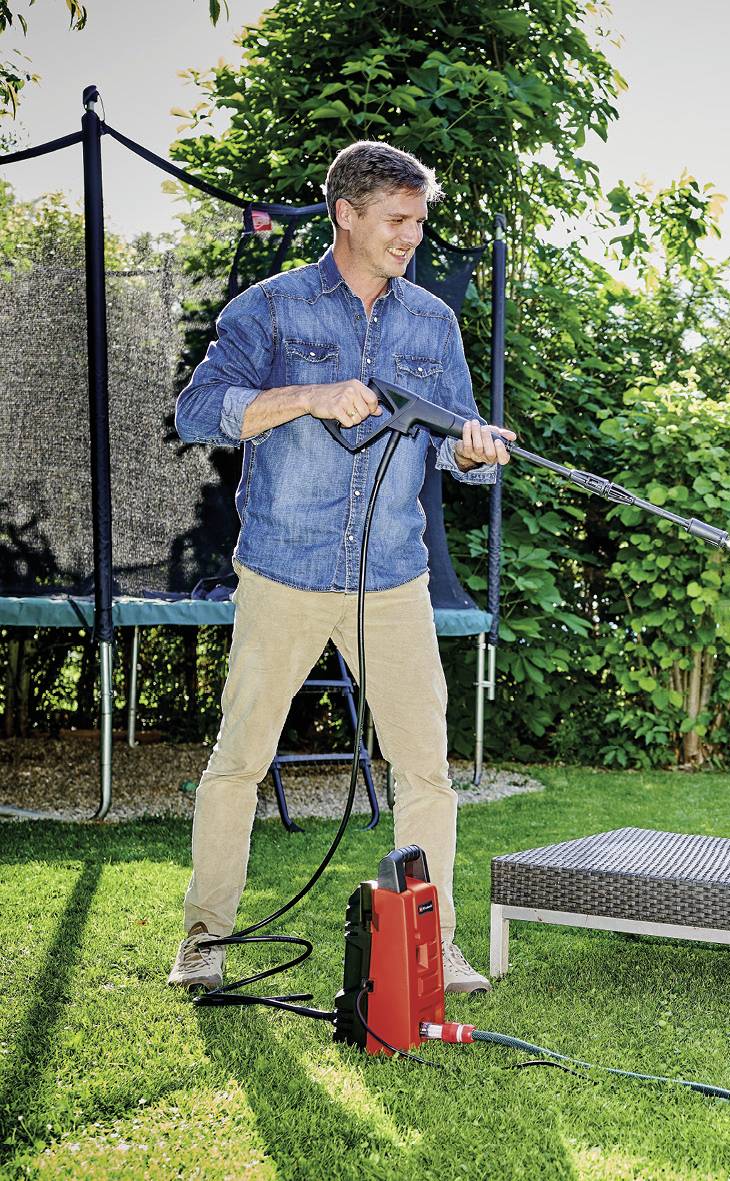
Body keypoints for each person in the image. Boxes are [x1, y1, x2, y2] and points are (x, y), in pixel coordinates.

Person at [166, 141, 512, 996]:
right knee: (237, 760)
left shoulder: (432, 321)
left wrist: (474, 455)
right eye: (397, 220)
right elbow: (199, 411)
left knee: (427, 770)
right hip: (282, 570)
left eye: (419, 221)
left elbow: (449, 444)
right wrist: (309, 396)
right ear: (346, 215)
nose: (411, 236)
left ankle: (437, 946)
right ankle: (205, 937)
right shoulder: (271, 310)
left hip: (391, 580)